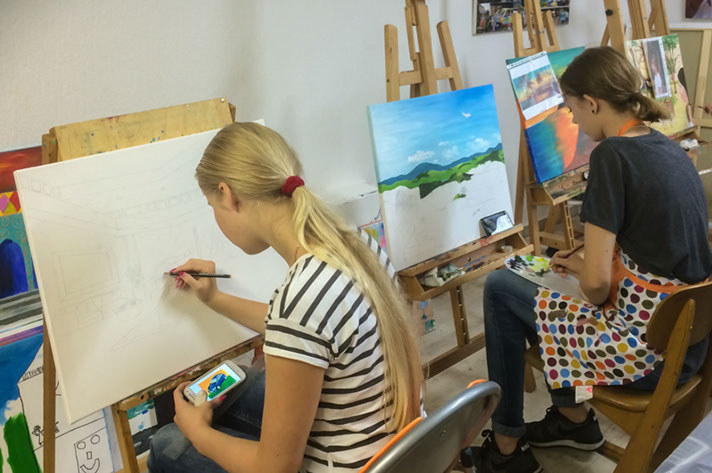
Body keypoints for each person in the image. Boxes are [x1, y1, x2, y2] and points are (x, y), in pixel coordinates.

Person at [475, 47, 712, 473]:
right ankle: (574, 420)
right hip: (688, 345)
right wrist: (582, 264)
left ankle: (506, 448)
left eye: (571, 109)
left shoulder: (611, 156)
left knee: (500, 288)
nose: (573, 121)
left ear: (592, 102)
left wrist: (584, 273)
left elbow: (598, 288)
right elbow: (651, 250)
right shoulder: (668, 147)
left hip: (645, 356)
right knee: (552, 287)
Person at [147, 123, 424, 473]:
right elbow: (307, 332)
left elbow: (275, 469)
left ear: (228, 194)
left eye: (211, 206)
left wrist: (198, 433)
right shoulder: (353, 243)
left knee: (168, 444)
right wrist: (215, 298)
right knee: (240, 379)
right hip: (398, 447)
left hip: (352, 466)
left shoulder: (301, 297)